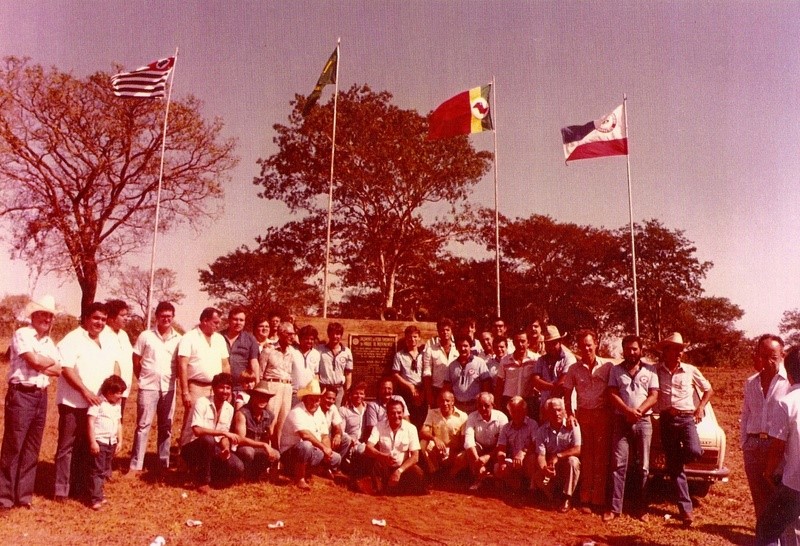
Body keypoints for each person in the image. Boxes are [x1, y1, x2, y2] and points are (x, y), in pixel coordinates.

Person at [0, 295, 61, 512]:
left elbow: (58, 369)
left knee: (32, 447)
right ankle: (4, 498)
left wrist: (42, 362)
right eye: (43, 314)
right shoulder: (23, 334)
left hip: (40, 396)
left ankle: (24, 496)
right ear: (33, 315)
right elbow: (33, 361)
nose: (47, 319)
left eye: (50, 316)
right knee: (14, 445)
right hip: (21, 395)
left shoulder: (48, 342)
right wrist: (45, 361)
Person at [55, 302, 121, 502]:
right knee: (67, 446)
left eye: (103, 319)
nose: (99, 322)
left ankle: (82, 486)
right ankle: (61, 490)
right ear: (86, 318)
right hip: (73, 402)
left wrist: (113, 394)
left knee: (88, 446)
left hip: (98, 405)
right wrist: (85, 391)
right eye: (96, 318)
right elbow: (66, 369)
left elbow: (115, 366)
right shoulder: (73, 339)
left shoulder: (107, 340)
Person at [655, 332, 713, 525]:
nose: (680, 353)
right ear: (665, 351)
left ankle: (673, 461)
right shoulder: (655, 371)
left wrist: (700, 407)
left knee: (695, 451)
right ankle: (686, 511)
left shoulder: (690, 370)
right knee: (677, 471)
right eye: (675, 349)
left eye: (681, 350)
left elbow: (708, 389)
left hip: (687, 418)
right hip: (666, 420)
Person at [603, 335, 659, 522]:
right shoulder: (616, 370)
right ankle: (614, 508)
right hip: (621, 420)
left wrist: (639, 411)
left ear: (641, 350)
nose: (631, 352)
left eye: (635, 349)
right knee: (618, 464)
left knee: (643, 466)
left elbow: (654, 395)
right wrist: (627, 411)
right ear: (623, 350)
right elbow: (612, 393)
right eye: (628, 349)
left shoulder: (650, 370)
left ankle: (641, 508)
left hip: (644, 421)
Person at [560, 329, 613, 514]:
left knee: (601, 458)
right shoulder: (574, 369)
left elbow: (613, 391)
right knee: (587, 457)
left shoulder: (607, 367)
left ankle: (599, 499)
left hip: (602, 415)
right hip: (583, 414)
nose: (586, 349)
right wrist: (570, 414)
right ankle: (585, 499)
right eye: (583, 346)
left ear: (596, 344)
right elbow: (567, 394)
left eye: (589, 345)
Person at [741, 334, 792, 522]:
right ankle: (763, 534)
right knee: (759, 498)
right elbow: (746, 414)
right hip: (753, 446)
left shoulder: (790, 383)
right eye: (763, 356)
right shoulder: (751, 382)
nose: (768, 361)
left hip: (778, 447)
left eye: (773, 357)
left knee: (780, 498)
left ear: (782, 355)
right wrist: (744, 443)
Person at [128, 301, 181, 476]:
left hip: (169, 388)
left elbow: (180, 364)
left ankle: (163, 463)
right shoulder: (146, 336)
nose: (166, 319)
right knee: (143, 426)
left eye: (169, 316)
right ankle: (136, 465)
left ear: (173, 317)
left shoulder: (179, 339)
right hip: (148, 387)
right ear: (157, 317)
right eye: (163, 316)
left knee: (166, 426)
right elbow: (136, 359)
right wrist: (143, 377)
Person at [756, 345, 800, 546]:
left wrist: (768, 472)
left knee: (767, 528)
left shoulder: (787, 403)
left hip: (795, 482)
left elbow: (777, 447)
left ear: (789, 375)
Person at [181, 373, 243, 493]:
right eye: (221, 387)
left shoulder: (229, 408)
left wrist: (226, 449)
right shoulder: (202, 402)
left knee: (237, 466)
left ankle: (207, 475)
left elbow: (224, 436)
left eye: (228, 388)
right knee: (207, 439)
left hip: (212, 448)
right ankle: (203, 482)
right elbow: (197, 430)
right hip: (192, 447)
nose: (225, 391)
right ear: (213, 388)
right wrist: (223, 433)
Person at [177, 307, 230, 446]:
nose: (218, 326)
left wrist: (227, 387)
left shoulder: (219, 339)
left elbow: (225, 364)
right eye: (215, 322)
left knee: (214, 421)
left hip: (217, 388)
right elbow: (182, 365)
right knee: (192, 422)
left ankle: (208, 455)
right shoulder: (189, 337)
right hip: (196, 386)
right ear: (205, 320)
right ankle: (185, 454)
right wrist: (185, 391)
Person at [279, 379, 342, 490]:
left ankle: (313, 473)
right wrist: (323, 448)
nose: (314, 403)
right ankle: (299, 479)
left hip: (311, 452)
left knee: (336, 458)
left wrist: (327, 451)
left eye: (317, 400)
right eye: (311, 400)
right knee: (306, 445)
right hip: (290, 455)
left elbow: (324, 435)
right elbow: (305, 435)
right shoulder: (297, 412)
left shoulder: (319, 412)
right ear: (304, 399)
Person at [363, 398, 427, 495]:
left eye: (399, 412)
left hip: (403, 468)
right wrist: (382, 456)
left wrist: (399, 471)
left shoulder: (411, 428)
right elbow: (368, 448)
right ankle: (383, 488)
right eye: (392, 413)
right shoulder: (379, 426)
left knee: (418, 473)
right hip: (384, 467)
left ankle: (396, 489)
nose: (396, 416)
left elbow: (415, 457)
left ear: (403, 413)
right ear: (387, 414)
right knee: (373, 465)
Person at [533, 397, 581, 513]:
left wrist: (558, 456)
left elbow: (577, 449)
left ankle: (567, 498)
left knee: (573, 461)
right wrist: (544, 468)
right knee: (538, 475)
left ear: (564, 411)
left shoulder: (573, 426)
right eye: (552, 411)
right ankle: (553, 497)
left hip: (566, 467)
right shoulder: (542, 431)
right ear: (547, 413)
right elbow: (541, 455)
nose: (556, 414)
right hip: (552, 467)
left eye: (559, 410)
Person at [260, 322, 302, 448]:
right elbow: (261, 372)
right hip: (272, 386)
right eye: (288, 334)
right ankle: (266, 450)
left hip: (287, 388)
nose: (291, 337)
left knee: (283, 423)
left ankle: (278, 453)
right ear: (280, 334)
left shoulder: (292, 352)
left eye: (293, 334)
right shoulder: (268, 350)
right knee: (270, 421)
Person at [87, 375, 126, 510]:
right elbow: (90, 422)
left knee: (104, 470)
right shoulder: (98, 403)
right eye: (118, 394)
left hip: (111, 442)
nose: (120, 396)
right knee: (97, 470)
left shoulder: (116, 406)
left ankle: (99, 493)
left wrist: (119, 441)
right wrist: (93, 442)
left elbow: (119, 423)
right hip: (100, 441)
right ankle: (95, 499)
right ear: (109, 392)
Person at [231, 380, 280, 481]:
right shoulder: (242, 413)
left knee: (276, 454)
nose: (262, 400)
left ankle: (256, 474)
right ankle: (244, 474)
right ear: (252, 397)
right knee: (248, 452)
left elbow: (272, 436)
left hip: (259, 449)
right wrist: (264, 445)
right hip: (244, 448)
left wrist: (274, 455)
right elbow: (240, 440)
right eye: (259, 396)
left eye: (265, 397)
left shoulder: (270, 415)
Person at [463, 392, 508, 491]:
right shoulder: (472, 416)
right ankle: (478, 479)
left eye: (486, 406)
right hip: (480, 449)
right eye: (480, 405)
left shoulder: (502, 417)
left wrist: (488, 456)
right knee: (470, 450)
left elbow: (502, 443)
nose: (483, 409)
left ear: (493, 405)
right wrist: (478, 461)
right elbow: (469, 441)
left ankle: (497, 480)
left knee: (501, 454)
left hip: (496, 449)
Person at [419, 390, 468, 475]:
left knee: (464, 454)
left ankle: (452, 475)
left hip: (454, 452)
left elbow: (464, 442)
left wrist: (451, 451)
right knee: (423, 443)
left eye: (447, 401)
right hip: (438, 450)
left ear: (453, 402)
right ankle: (434, 473)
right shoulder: (432, 413)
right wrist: (435, 439)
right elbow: (422, 432)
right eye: (442, 401)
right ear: (438, 402)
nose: (444, 403)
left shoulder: (463, 416)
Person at [494, 396, 538, 491]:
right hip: (513, 462)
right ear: (509, 412)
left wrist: (523, 452)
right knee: (497, 467)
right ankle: (518, 484)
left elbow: (536, 444)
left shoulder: (532, 424)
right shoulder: (506, 428)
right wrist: (502, 462)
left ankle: (532, 488)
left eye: (519, 411)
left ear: (525, 411)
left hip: (527, 460)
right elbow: (501, 448)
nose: (516, 414)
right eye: (513, 411)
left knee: (533, 458)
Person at [532, 325, 576, 413]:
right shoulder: (541, 360)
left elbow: (564, 382)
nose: (550, 347)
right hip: (545, 406)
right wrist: (554, 386)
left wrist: (545, 385)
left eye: (553, 343)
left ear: (560, 342)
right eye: (548, 344)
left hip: (564, 406)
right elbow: (535, 381)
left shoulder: (569, 358)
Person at [444, 335, 491, 414]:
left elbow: (486, 385)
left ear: (470, 347)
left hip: (475, 407)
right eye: (460, 346)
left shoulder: (479, 363)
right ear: (456, 348)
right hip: (457, 407)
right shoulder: (452, 365)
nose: (463, 349)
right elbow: (447, 387)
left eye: (465, 346)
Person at [102, 300, 133, 415]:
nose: (126, 319)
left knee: (117, 421)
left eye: (127, 315)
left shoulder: (124, 335)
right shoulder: (102, 334)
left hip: (122, 390)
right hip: (108, 390)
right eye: (122, 315)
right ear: (111, 318)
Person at [494, 331, 538, 415]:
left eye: (523, 341)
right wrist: (498, 404)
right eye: (517, 341)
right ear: (513, 343)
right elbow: (499, 384)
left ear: (528, 342)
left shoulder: (535, 359)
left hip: (528, 401)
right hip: (509, 400)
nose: (520, 344)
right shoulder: (505, 361)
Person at [392, 325, 427, 427]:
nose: (412, 339)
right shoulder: (400, 355)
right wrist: (410, 386)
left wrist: (423, 390)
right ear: (406, 338)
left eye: (415, 337)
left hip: (422, 391)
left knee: (422, 419)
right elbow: (395, 374)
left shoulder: (424, 354)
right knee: (408, 420)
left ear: (419, 338)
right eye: (410, 337)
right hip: (406, 391)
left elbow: (428, 372)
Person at [220, 306, 260, 392]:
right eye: (235, 319)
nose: (238, 323)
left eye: (241, 320)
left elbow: (254, 362)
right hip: (222, 386)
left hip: (243, 387)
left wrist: (257, 384)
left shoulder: (250, 339)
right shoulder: (218, 337)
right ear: (229, 320)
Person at [422, 318, 458, 407]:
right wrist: (429, 394)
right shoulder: (430, 349)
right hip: (437, 390)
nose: (445, 332)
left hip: (455, 390)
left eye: (447, 330)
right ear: (438, 332)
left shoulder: (457, 349)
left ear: (451, 331)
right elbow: (427, 372)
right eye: (442, 330)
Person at [361, 377, 409, 442]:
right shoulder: (373, 406)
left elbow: (406, 420)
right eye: (383, 388)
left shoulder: (399, 399)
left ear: (392, 390)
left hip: (400, 436)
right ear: (379, 390)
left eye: (389, 388)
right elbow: (373, 428)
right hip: (382, 439)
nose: (386, 391)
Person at [317, 322, 353, 407]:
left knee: (337, 412)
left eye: (337, 334)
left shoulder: (347, 352)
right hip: (324, 389)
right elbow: (316, 372)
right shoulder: (319, 350)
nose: (334, 336)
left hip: (339, 389)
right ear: (328, 334)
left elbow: (348, 374)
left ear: (341, 335)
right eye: (332, 333)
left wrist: (347, 392)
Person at [320, 386, 351, 462]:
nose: (331, 401)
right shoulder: (316, 408)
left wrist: (338, 435)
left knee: (346, 439)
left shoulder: (333, 407)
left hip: (327, 438)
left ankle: (335, 464)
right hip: (317, 439)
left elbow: (338, 427)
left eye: (333, 399)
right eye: (328, 398)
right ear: (321, 397)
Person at [294, 325, 321, 407]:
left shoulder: (316, 354)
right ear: (300, 339)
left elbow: (316, 374)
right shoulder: (292, 351)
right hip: (294, 392)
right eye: (306, 339)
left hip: (309, 394)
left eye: (312, 339)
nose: (309, 341)